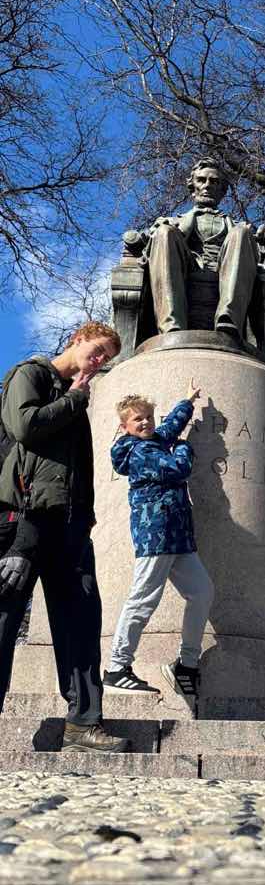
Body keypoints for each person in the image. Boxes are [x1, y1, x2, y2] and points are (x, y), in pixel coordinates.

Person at [0, 321, 130, 753]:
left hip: (71, 527)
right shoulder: (31, 374)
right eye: (97, 351)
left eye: (107, 358)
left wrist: (87, 521)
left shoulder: (77, 399)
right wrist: (75, 398)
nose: (100, 361)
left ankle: (83, 724)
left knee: (80, 626)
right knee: (3, 623)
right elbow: (24, 427)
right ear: (77, 340)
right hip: (22, 522)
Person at [103, 382, 214, 699]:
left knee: (202, 592)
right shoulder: (139, 452)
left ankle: (186, 665)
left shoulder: (152, 440)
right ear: (125, 427)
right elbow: (179, 468)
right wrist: (184, 447)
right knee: (142, 601)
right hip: (156, 535)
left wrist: (187, 402)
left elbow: (167, 428)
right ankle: (117, 668)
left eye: (148, 417)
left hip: (178, 537)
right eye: (138, 420)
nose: (146, 423)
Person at [123, 157, 265, 341]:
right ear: (192, 188)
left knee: (242, 232)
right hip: (183, 269)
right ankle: (171, 329)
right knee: (164, 233)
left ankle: (228, 322)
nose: (207, 186)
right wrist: (141, 238)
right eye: (201, 180)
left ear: (223, 190)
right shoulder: (171, 223)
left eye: (214, 182)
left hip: (227, 272)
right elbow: (144, 245)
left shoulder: (241, 229)